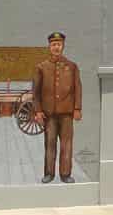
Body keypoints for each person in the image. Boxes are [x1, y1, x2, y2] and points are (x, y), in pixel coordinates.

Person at [32, 31, 82, 183]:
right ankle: (49, 173)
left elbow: (77, 88)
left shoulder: (72, 66)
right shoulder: (41, 67)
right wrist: (38, 111)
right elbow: (36, 92)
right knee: (50, 143)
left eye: (59, 44)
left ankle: (65, 174)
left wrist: (77, 108)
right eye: (53, 44)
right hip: (49, 114)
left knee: (67, 144)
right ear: (49, 47)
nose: (56, 47)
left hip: (67, 113)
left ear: (63, 46)